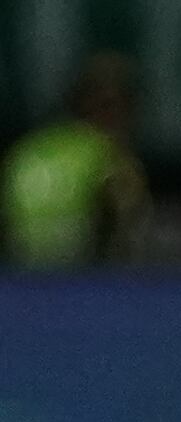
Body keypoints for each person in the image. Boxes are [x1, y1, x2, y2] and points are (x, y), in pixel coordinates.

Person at [8, 53, 146, 268]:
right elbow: (130, 224)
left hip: (18, 266)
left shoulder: (28, 148)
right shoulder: (107, 154)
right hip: (79, 270)